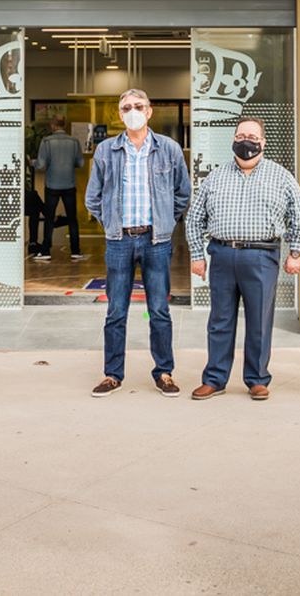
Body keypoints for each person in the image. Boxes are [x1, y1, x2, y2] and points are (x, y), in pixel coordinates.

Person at [186, 118, 300, 400]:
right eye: (240, 135)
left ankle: (256, 379)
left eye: (252, 136)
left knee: (259, 321)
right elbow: (194, 219)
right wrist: (197, 255)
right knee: (220, 320)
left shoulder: (281, 176)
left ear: (262, 142)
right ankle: (215, 379)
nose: (246, 141)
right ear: (233, 139)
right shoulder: (215, 177)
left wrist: (295, 252)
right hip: (222, 254)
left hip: (262, 256)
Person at [84, 88, 191, 398]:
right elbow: (93, 197)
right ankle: (112, 374)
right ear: (120, 114)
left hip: (156, 240)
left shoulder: (168, 149)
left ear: (149, 111)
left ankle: (164, 372)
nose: (133, 111)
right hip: (119, 241)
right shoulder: (106, 150)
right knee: (116, 311)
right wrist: (111, 224)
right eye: (127, 107)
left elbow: (182, 193)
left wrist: (166, 222)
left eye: (138, 106)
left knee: (159, 310)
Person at [32, 116, 84, 262]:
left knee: (49, 218)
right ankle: (76, 251)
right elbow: (80, 163)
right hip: (69, 184)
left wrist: (33, 162)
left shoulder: (47, 141)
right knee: (72, 218)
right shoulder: (74, 142)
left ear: (52, 125)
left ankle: (46, 250)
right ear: (65, 125)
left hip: (52, 185)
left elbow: (41, 164)